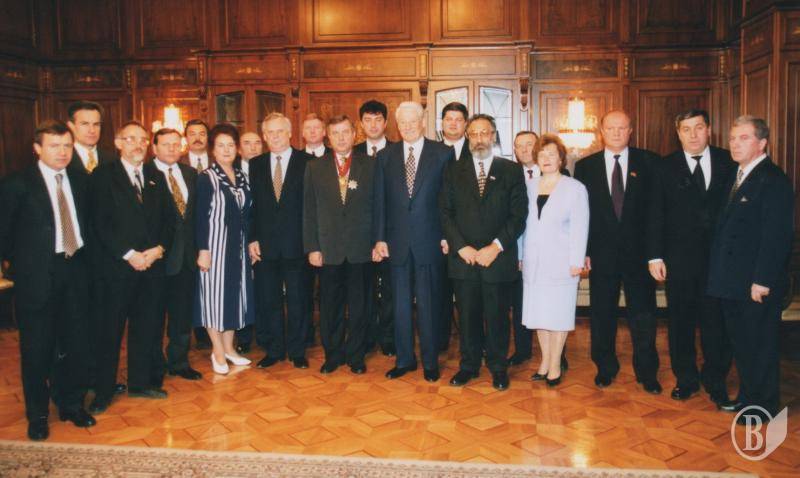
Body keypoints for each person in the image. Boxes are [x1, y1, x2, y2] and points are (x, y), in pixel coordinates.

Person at [0, 120, 96, 440]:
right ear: (37, 148)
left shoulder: (81, 181)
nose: (62, 152)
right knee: (37, 349)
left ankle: (71, 404)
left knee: (77, 343)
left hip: (76, 271)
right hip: (37, 278)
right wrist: (17, 267)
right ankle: (38, 415)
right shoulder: (16, 184)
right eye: (54, 146)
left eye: (67, 145)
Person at [647, 110, 736, 407]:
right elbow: (655, 213)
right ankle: (685, 379)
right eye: (686, 129)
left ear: (709, 129)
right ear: (678, 133)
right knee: (680, 323)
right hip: (679, 261)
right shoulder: (664, 166)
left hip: (720, 261)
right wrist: (655, 256)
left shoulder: (728, 161)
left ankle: (715, 381)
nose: (693, 134)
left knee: (716, 324)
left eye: (699, 127)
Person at [708, 115, 794, 424]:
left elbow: (777, 236)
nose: (735, 144)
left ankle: (762, 407)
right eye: (733, 138)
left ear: (762, 143)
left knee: (760, 346)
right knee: (743, 345)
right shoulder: (738, 174)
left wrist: (762, 280)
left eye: (743, 138)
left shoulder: (772, 179)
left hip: (755, 284)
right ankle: (748, 399)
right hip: (732, 282)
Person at [573, 110, 662, 394]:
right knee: (602, 314)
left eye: (622, 128)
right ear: (601, 132)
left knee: (644, 316)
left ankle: (647, 372)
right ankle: (605, 368)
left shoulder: (649, 162)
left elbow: (656, 213)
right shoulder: (585, 167)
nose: (616, 133)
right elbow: (582, 215)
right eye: (610, 128)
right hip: (601, 255)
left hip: (640, 256)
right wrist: (584, 251)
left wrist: (655, 254)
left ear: (630, 131)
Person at [89, 121, 174, 413]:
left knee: (147, 329)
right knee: (109, 332)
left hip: (152, 268)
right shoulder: (103, 176)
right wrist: (128, 254)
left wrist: (159, 249)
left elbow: (169, 220)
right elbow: (98, 223)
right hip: (117, 269)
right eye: (131, 139)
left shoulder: (155, 175)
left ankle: (141, 383)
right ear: (118, 143)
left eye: (142, 139)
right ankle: (103, 391)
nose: (138, 144)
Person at [440, 114, 527, 391]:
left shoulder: (511, 170)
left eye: (484, 133)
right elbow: (444, 213)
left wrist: (495, 247)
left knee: (498, 318)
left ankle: (498, 368)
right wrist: (461, 246)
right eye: (474, 133)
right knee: (467, 318)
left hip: (498, 259)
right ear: (468, 137)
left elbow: (518, 216)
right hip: (464, 259)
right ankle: (469, 365)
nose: (479, 138)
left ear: (494, 136)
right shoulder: (453, 170)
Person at [373, 101, 454, 382]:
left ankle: (430, 363)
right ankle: (404, 359)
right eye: (403, 122)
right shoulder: (385, 156)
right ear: (397, 125)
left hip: (430, 242)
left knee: (429, 306)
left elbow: (448, 200)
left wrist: (446, 235)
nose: (407, 127)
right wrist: (379, 238)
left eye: (412, 121)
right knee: (400, 306)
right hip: (396, 243)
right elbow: (380, 201)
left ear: (422, 122)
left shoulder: (442, 153)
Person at [304, 115, 375, 374]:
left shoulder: (370, 164)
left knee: (359, 306)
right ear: (328, 137)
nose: (341, 137)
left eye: (345, 132)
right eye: (335, 133)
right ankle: (332, 355)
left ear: (355, 134)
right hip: (328, 249)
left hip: (361, 248)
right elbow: (309, 210)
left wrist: (377, 242)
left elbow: (378, 207)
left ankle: (356, 356)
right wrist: (313, 247)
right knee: (330, 306)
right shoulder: (315, 167)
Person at [520, 134, 589, 387]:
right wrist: (520, 256)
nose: (546, 158)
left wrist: (577, 260)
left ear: (561, 159)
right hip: (533, 262)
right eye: (541, 155)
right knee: (539, 314)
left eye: (552, 154)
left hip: (562, 263)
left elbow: (581, 227)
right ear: (536, 159)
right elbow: (521, 227)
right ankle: (545, 361)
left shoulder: (575, 188)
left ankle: (555, 364)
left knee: (558, 314)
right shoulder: (528, 187)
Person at [248, 113, 312, 369]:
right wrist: (252, 238)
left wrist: (312, 243)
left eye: (279, 131)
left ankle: (297, 351)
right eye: (270, 133)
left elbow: (312, 207)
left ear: (290, 133)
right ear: (264, 136)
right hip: (265, 246)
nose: (275, 137)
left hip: (297, 245)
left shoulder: (307, 162)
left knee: (298, 300)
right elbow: (251, 207)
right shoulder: (255, 165)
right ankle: (274, 350)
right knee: (269, 300)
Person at [195, 123, 255, 375]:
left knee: (234, 298)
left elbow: (248, 214)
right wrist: (203, 250)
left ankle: (230, 348)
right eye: (221, 145)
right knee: (214, 299)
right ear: (213, 149)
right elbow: (200, 217)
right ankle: (217, 351)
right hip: (215, 248)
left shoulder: (241, 176)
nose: (227, 150)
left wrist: (251, 242)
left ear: (237, 148)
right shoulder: (206, 178)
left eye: (231, 145)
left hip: (238, 249)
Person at [144, 128, 202, 381]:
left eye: (176, 144)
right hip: (157, 258)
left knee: (182, 315)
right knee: (153, 316)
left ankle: (179, 362)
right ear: (154, 148)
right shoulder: (144, 173)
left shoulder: (190, 173)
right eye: (165, 144)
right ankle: (154, 367)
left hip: (187, 257)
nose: (171, 148)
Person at [354, 100, 396, 357]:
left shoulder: (397, 151)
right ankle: (368, 336)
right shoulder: (352, 152)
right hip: (358, 236)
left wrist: (382, 238)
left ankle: (388, 337)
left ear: (386, 123)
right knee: (364, 290)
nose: (373, 125)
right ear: (361, 124)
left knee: (390, 290)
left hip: (390, 235)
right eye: (368, 120)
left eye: (378, 119)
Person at [438, 102, 471, 354]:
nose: (453, 123)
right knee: (439, 293)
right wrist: (443, 235)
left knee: (468, 297)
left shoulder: (477, 151)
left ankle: (471, 343)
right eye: (448, 119)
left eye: (458, 119)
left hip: (469, 239)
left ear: (466, 124)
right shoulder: (431, 152)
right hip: (438, 236)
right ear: (442, 123)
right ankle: (441, 341)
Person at [181, 118, 212, 350]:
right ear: (186, 137)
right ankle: (199, 333)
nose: (197, 137)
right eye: (192, 133)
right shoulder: (177, 163)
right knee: (192, 286)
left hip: (217, 232)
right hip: (187, 236)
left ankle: (215, 327)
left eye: (202, 133)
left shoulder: (221, 160)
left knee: (212, 283)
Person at [66, 101, 114, 174]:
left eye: (96, 124)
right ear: (71, 126)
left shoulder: (112, 160)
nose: (92, 130)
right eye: (85, 124)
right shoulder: (62, 159)